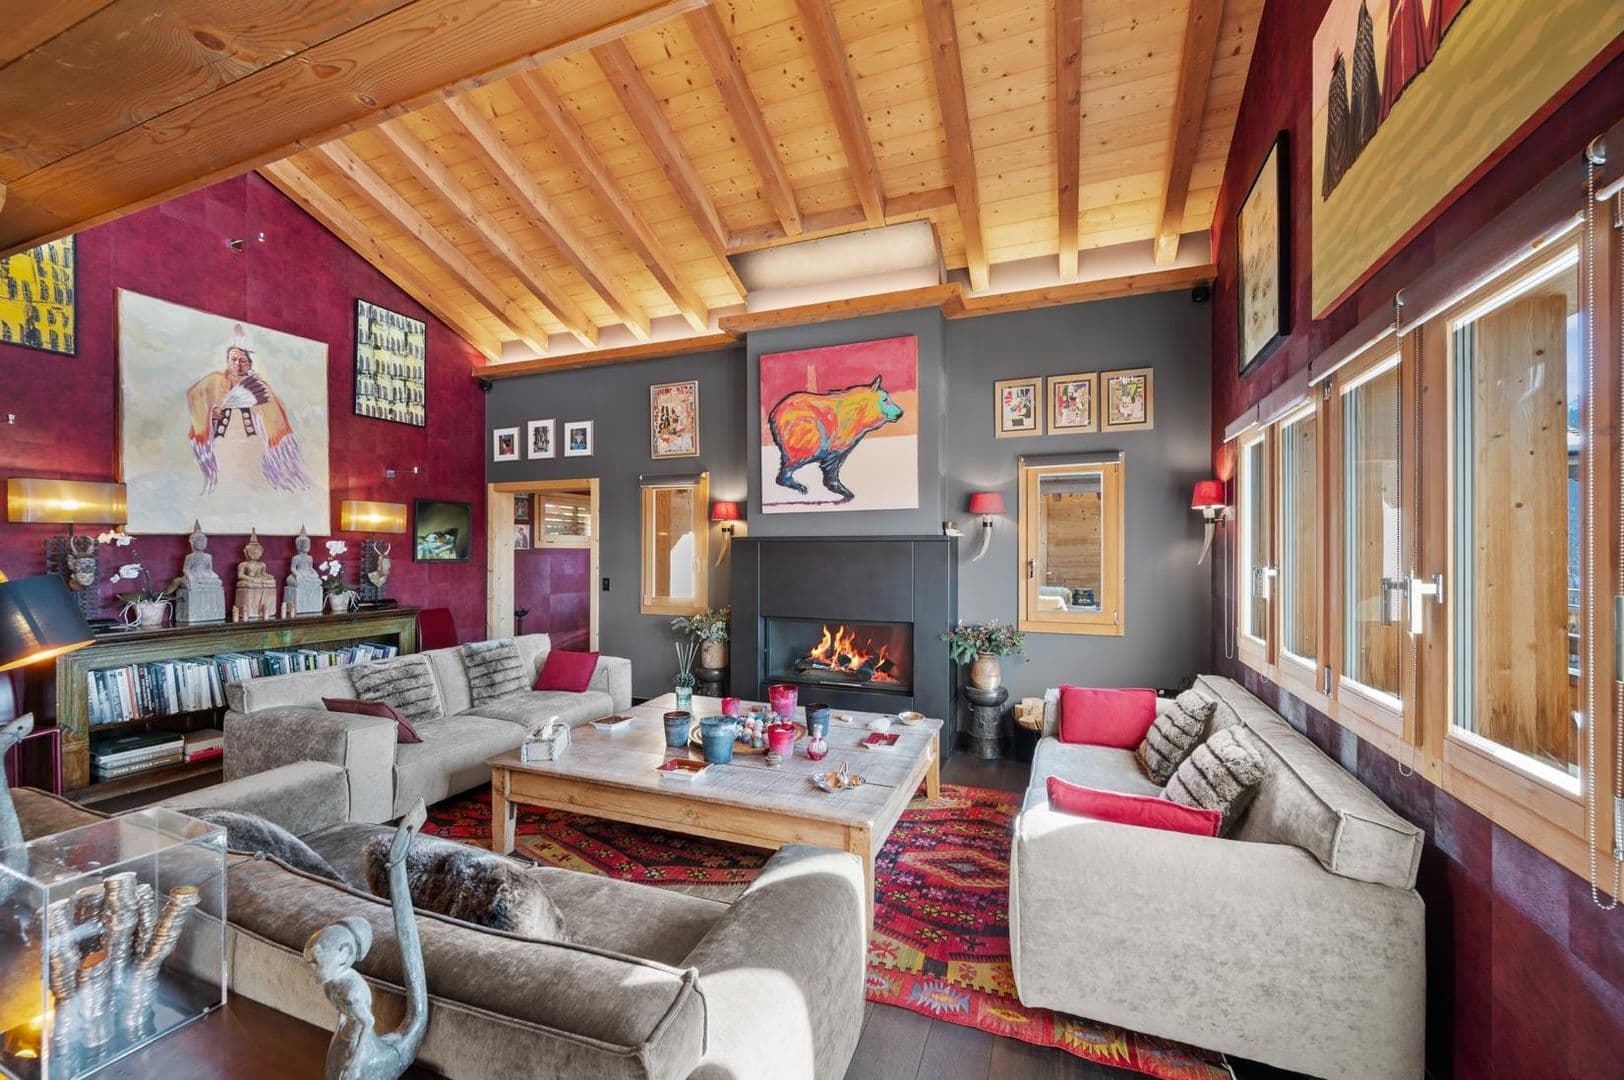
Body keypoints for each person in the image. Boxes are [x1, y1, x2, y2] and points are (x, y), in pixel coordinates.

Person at [186, 324, 313, 496]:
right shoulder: (214, 381)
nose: (237, 364)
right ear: (227, 360)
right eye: (233, 359)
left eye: (242, 360)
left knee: (251, 483)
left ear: (249, 363)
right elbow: (195, 397)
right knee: (226, 485)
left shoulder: (259, 386)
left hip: (252, 445)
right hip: (222, 445)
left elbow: (274, 411)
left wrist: (257, 408)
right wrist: (211, 415)